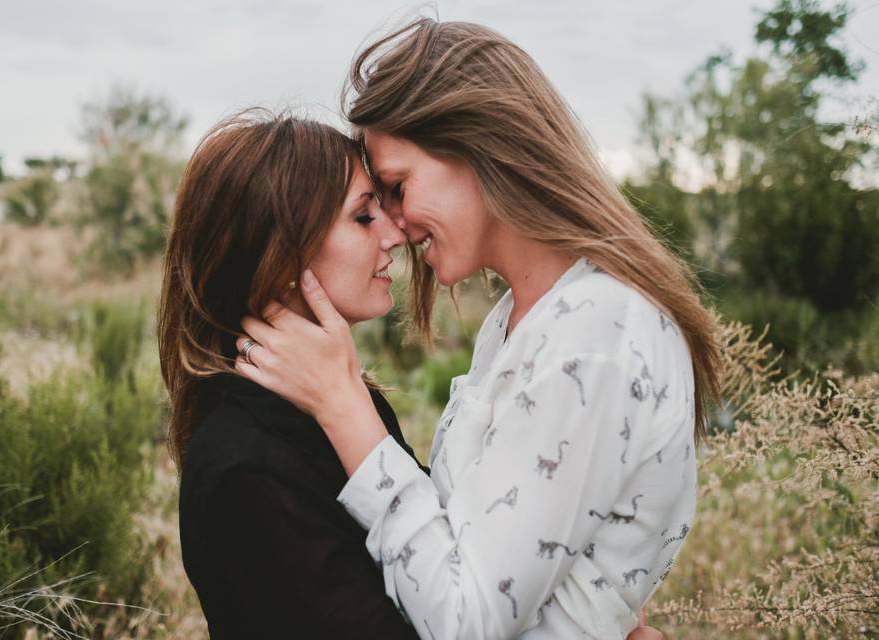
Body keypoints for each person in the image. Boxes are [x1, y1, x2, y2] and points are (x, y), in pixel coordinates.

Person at [233, 18, 719, 640]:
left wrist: (342, 403)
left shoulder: (598, 333)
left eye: (398, 188)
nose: (398, 227)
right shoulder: (521, 321)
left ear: (478, 147)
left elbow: (466, 624)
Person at [158, 110, 422, 639]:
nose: (396, 234)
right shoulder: (246, 469)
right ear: (279, 254)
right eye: (364, 216)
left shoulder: (346, 405)